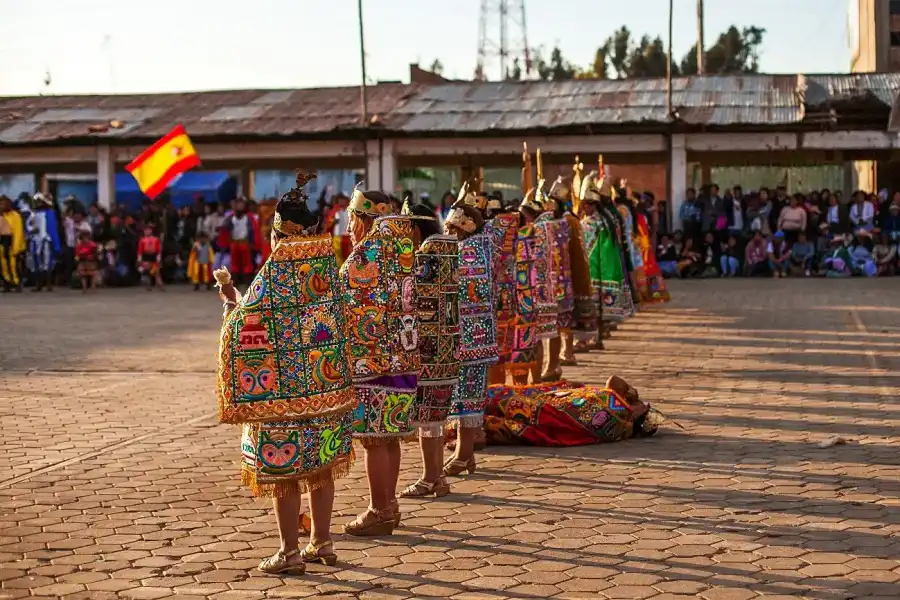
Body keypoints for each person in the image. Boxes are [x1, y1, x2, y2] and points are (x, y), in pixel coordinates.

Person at [216, 172, 355, 575]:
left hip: (280, 399)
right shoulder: (327, 268)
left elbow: (244, 325)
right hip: (326, 389)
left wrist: (230, 302)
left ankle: (290, 552)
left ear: (277, 233)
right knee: (322, 466)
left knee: (286, 475)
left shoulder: (273, 274)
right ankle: (323, 542)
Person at [340, 188, 418, 536]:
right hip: (403, 358)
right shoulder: (403, 246)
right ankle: (390, 505)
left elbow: (344, 301)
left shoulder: (364, 254)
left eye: (351, 220)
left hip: (372, 361)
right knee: (390, 437)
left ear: (362, 218)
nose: (349, 228)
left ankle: (378, 508)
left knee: (374, 439)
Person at [400, 203, 459, 499]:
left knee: (426, 416)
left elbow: (410, 297)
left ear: (415, 228)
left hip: (427, 349)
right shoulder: (450, 251)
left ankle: (428, 477)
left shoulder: (424, 256)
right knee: (435, 416)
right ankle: (438, 478)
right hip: (449, 346)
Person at [443, 202, 497, 477]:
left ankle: (464, 455)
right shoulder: (478, 248)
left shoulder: (469, 253)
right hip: (474, 337)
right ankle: (464, 454)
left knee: (468, 396)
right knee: (465, 396)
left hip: (471, 339)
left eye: (450, 228)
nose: (446, 231)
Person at [484, 376, 663, 446]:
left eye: (644, 407)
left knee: (499, 401)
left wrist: (632, 395)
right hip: (547, 408)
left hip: (547, 411)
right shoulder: (619, 425)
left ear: (639, 413)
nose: (644, 404)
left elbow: (614, 381)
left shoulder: (617, 407)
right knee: (500, 403)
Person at [26, 193, 62, 292]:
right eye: (37, 202)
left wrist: (56, 244)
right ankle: (38, 285)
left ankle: (48, 284)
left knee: (47, 262)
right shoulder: (33, 214)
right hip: (35, 240)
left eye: (40, 202)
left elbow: (53, 229)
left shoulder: (50, 213)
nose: (38, 204)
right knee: (36, 262)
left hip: (46, 240)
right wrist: (31, 230)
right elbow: (28, 226)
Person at [224, 199, 256, 286]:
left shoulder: (248, 218)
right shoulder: (230, 218)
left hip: (244, 243)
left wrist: (252, 242)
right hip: (234, 243)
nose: (239, 207)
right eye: (237, 205)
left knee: (247, 263)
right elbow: (225, 230)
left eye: (241, 205)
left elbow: (252, 231)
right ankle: (235, 282)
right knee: (234, 263)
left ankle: (248, 282)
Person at [0, 195, 25, 292]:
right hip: (1, 241)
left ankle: (17, 283)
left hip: (11, 241)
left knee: (13, 265)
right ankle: (7, 283)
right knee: (3, 265)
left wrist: (16, 247)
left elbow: (18, 232)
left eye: (3, 204)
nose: (1, 206)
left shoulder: (15, 215)